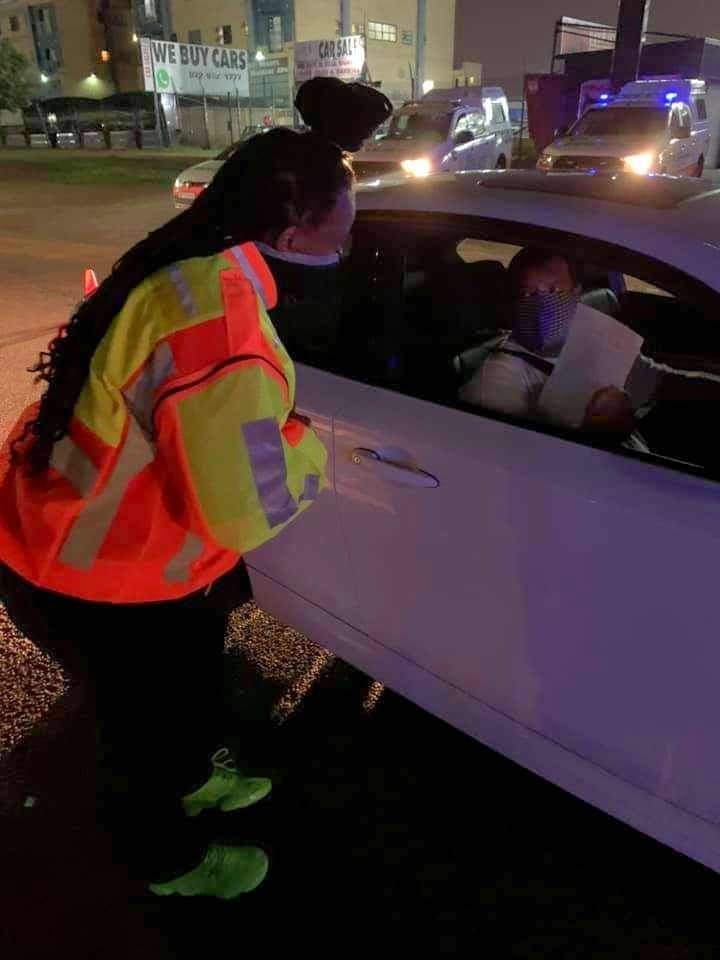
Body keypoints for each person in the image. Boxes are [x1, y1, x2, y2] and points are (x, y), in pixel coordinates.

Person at [0, 78, 392, 900]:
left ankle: (187, 774)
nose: (350, 249)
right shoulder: (222, 331)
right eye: (345, 232)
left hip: (69, 537)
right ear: (291, 232)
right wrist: (305, 449)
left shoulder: (190, 264)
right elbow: (242, 507)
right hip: (104, 577)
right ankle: (170, 861)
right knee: (138, 737)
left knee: (171, 710)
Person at [459, 247, 638, 433]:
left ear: (576, 292)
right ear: (514, 301)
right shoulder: (492, 389)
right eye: (528, 294)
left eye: (555, 291)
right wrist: (596, 434)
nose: (543, 305)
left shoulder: (590, 337)